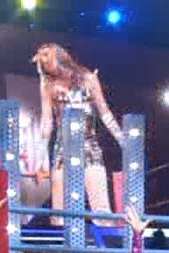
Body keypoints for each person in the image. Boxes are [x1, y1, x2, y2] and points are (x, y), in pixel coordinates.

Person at [34, 43, 125, 227]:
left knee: (101, 207)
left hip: (89, 144)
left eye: (46, 57)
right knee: (61, 210)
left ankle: (106, 240)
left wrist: (123, 140)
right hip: (63, 148)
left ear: (59, 56)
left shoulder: (88, 78)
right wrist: (41, 157)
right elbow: (47, 121)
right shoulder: (47, 84)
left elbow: (104, 112)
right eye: (41, 61)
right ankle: (64, 242)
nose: (43, 63)